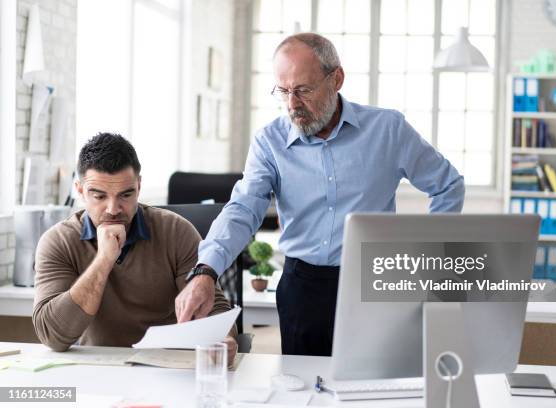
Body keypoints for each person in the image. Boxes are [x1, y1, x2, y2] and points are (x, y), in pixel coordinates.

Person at [177, 33, 465, 356]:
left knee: (372, 388)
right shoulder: (269, 142)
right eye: (283, 91)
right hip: (303, 288)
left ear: (336, 78)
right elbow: (242, 209)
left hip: (374, 283)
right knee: (304, 390)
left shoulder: (388, 130)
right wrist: (206, 270)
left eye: (302, 90)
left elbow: (448, 185)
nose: (292, 104)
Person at [33, 133, 237, 362]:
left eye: (125, 194)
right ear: (80, 190)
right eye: (99, 196)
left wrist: (224, 338)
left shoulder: (177, 231)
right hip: (98, 368)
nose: (113, 209)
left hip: (168, 367)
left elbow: (213, 308)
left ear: (139, 187)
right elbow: (52, 335)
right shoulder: (58, 241)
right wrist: (103, 260)